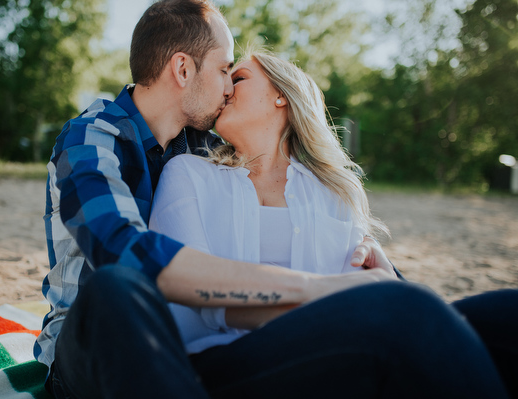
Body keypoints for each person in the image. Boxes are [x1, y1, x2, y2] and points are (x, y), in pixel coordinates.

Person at [36, 1, 399, 398]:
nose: (228, 87)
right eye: (225, 69)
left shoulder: (201, 149)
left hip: (168, 352)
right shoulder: (91, 138)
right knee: (116, 288)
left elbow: (268, 167)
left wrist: (372, 259)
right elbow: (123, 251)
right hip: (90, 347)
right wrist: (314, 290)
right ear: (183, 69)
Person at [149, 51, 518, 398]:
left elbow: (367, 287)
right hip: (222, 364)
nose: (225, 87)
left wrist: (382, 279)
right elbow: (197, 295)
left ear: (281, 95)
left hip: (332, 345)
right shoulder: (188, 174)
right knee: (411, 313)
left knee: (506, 315)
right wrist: (356, 300)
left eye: (239, 77)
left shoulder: (332, 190)